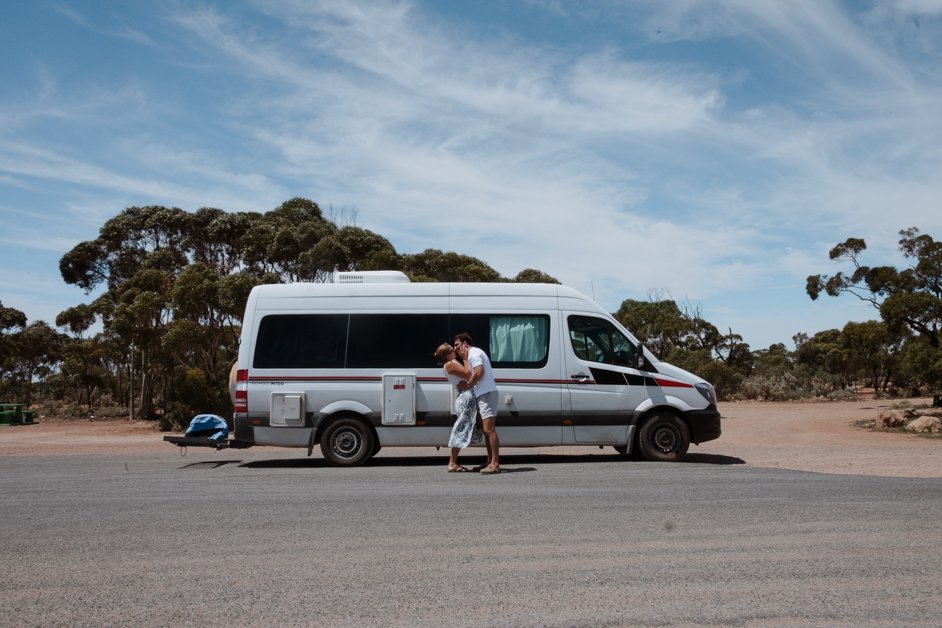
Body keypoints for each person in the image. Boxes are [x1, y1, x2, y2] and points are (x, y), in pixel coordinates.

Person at [454, 332, 500, 474]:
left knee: (489, 429)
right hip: (483, 393)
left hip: (486, 393)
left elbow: (479, 372)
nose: (455, 348)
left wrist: (468, 384)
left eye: (457, 345)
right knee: (486, 430)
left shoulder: (474, 353)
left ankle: (495, 464)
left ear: (465, 343)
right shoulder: (472, 355)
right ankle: (490, 461)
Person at [434, 343, 482, 473]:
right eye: (452, 349)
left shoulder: (452, 362)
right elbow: (468, 373)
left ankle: (453, 462)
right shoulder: (449, 365)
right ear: (447, 355)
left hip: (466, 395)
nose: (454, 350)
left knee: (464, 429)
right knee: (460, 430)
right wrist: (465, 358)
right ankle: (452, 462)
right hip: (466, 398)